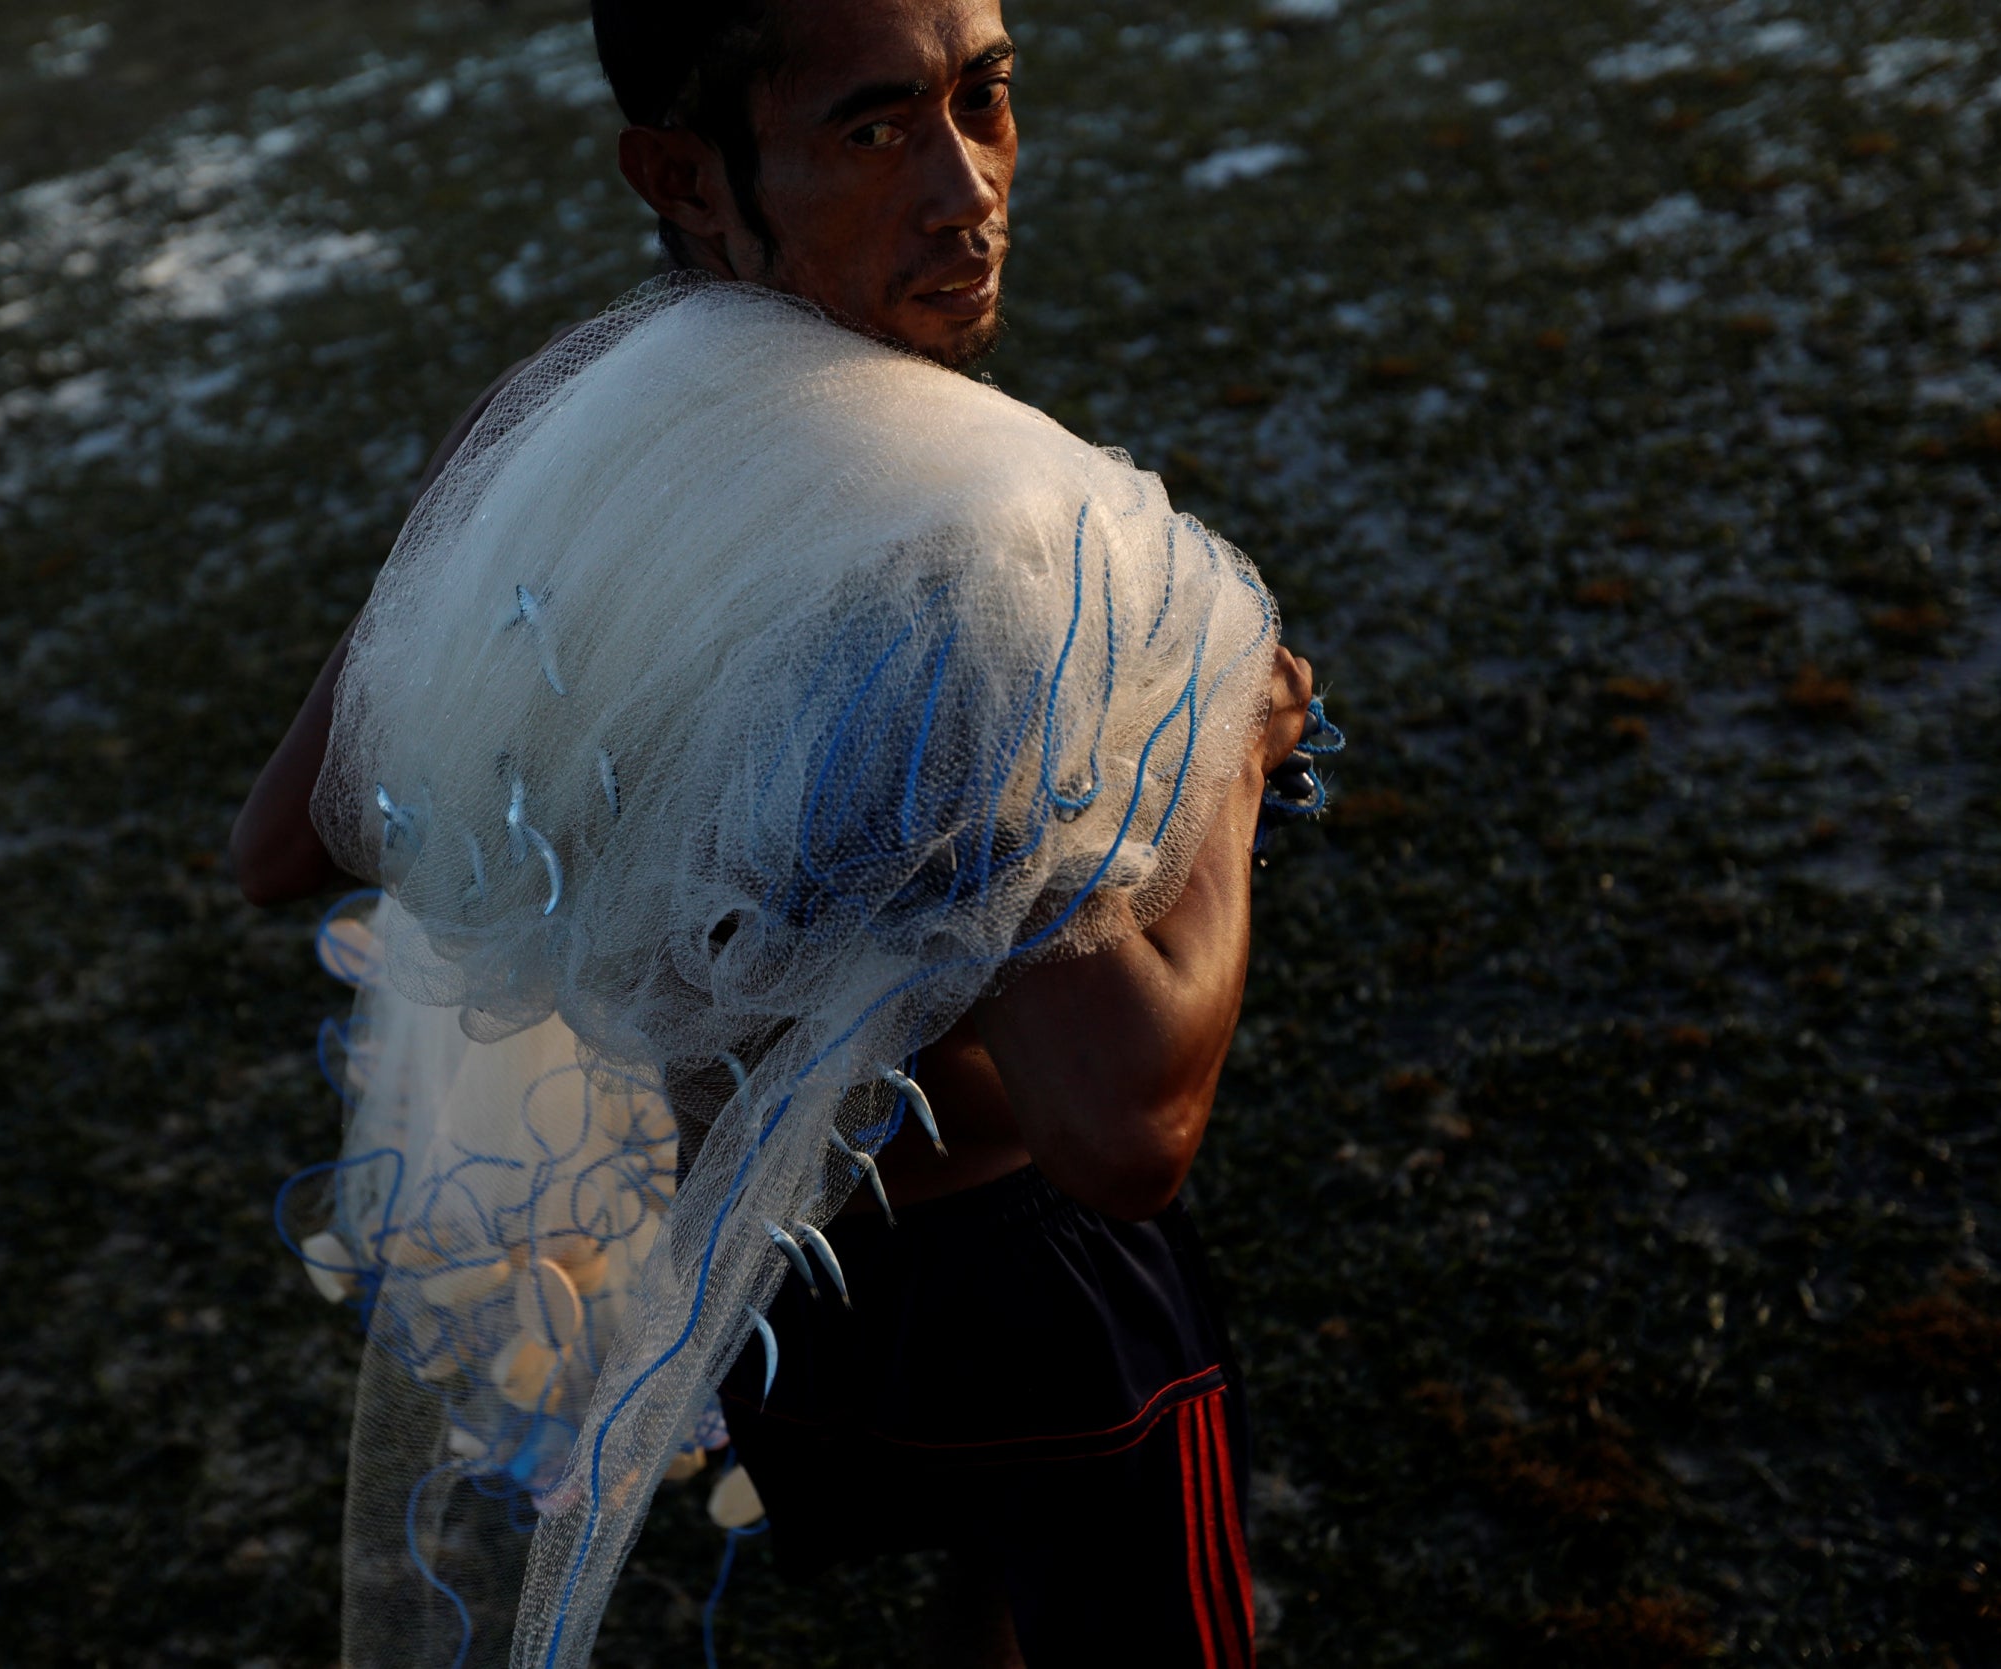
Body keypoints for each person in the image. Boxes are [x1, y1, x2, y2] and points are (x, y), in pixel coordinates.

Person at [233, 3, 1316, 1664]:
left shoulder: (558, 434)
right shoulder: (959, 549)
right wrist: (1234, 757)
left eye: (986, 96)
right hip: (1033, 1281)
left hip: (782, 1287)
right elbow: (1126, 1127)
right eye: (873, 130)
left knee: (989, 1596)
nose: (966, 187)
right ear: (682, 175)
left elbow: (288, 838)